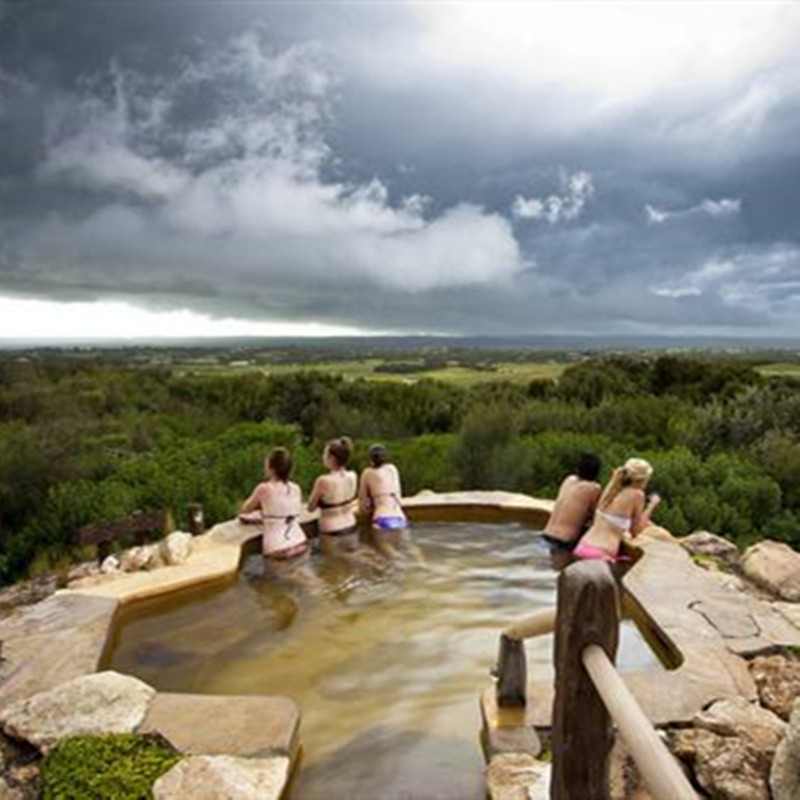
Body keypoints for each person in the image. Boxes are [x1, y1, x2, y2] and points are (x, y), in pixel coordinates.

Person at [573, 457, 661, 562]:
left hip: (582, 547)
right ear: (642, 479)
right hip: (601, 552)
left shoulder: (612, 489)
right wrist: (651, 506)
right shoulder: (637, 495)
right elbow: (636, 531)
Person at [240, 447, 309, 561]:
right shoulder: (296, 488)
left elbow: (245, 509)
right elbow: (283, 514)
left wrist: (260, 512)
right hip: (300, 543)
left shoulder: (264, 488)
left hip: (278, 549)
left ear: (271, 468)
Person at [540, 452, 603, 552]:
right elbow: (598, 517)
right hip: (563, 542)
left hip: (545, 536)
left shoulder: (569, 480)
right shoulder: (594, 488)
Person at [308, 436, 360, 553]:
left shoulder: (323, 481)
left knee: (331, 564)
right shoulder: (353, 476)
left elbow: (311, 508)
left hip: (331, 530)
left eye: (325, 454)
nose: (323, 457)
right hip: (351, 526)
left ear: (332, 458)